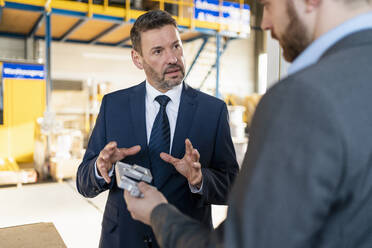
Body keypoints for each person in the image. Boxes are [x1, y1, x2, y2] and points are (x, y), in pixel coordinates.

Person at [124, 0, 372, 247]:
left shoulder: (302, 96)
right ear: (138, 59)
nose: (264, 23)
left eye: (268, 5)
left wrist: (158, 212)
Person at [76, 10, 239, 248]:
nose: (172, 58)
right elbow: (83, 182)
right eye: (158, 51)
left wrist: (199, 178)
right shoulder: (114, 106)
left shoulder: (213, 111)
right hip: (123, 240)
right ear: (137, 59)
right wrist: (101, 169)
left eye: (176, 47)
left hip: (185, 241)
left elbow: (232, 186)